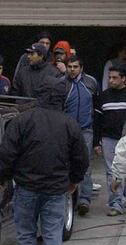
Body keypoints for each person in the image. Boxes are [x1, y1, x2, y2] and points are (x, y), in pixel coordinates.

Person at [0, 77, 88, 245]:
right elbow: (81, 159)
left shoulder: (22, 120)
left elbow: (7, 153)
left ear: (38, 95)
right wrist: (74, 180)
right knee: (52, 236)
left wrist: (2, 177)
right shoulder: (69, 124)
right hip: (56, 188)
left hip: (26, 186)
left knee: (25, 235)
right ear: (61, 98)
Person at [62, 55, 99, 216]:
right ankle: (69, 198)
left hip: (86, 130)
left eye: (75, 67)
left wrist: (97, 136)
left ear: (81, 68)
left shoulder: (91, 82)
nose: (72, 69)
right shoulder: (61, 83)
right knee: (66, 164)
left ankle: (84, 200)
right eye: (69, 66)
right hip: (66, 131)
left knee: (86, 165)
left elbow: (96, 107)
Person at [94, 65, 126, 216]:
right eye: (110, 77)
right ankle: (116, 203)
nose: (111, 80)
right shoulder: (104, 96)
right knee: (111, 172)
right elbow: (97, 120)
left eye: (115, 78)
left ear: (123, 79)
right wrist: (96, 142)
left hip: (124, 139)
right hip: (108, 139)